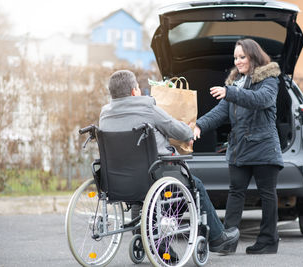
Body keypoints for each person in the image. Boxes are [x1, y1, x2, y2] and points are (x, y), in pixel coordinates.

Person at [99, 69, 239, 260]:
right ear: (133, 91)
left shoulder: (105, 115)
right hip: (154, 176)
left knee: (147, 192)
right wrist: (190, 133)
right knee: (194, 185)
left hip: (117, 181)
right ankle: (218, 238)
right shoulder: (147, 108)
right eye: (138, 88)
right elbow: (179, 131)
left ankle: (148, 235)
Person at [193, 39, 283, 254]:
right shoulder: (235, 84)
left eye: (242, 57)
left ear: (253, 56)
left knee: (267, 194)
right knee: (236, 193)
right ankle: (227, 240)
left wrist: (230, 92)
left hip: (264, 148)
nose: (238, 61)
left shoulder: (269, 80)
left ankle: (269, 241)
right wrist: (197, 126)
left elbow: (260, 99)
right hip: (240, 149)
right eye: (236, 58)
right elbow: (219, 113)